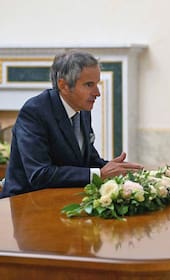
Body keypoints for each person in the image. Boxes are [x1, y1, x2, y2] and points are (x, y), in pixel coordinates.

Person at [1, 50, 143, 198]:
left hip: (60, 198)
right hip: (23, 203)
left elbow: (88, 161)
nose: (97, 93)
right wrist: (99, 174)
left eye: (97, 84)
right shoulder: (35, 112)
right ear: (64, 85)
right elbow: (39, 174)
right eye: (89, 85)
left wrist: (120, 171)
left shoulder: (83, 110)